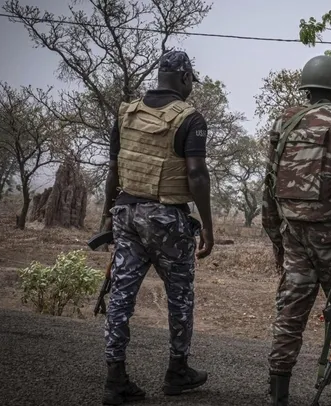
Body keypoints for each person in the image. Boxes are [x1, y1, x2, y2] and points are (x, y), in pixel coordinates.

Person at [100, 49, 214, 405]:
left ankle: (115, 378)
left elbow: (114, 171)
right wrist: (208, 226)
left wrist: (107, 213)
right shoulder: (190, 119)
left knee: (121, 296)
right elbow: (196, 174)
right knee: (180, 295)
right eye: (192, 79)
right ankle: (177, 371)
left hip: (126, 213)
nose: (192, 85)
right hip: (167, 219)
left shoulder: (126, 113)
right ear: (183, 78)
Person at [261, 54, 331, 406]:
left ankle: (277, 394)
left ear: (307, 89)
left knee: (290, 315)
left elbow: (268, 187)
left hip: (293, 235)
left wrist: (277, 240)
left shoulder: (286, 120)